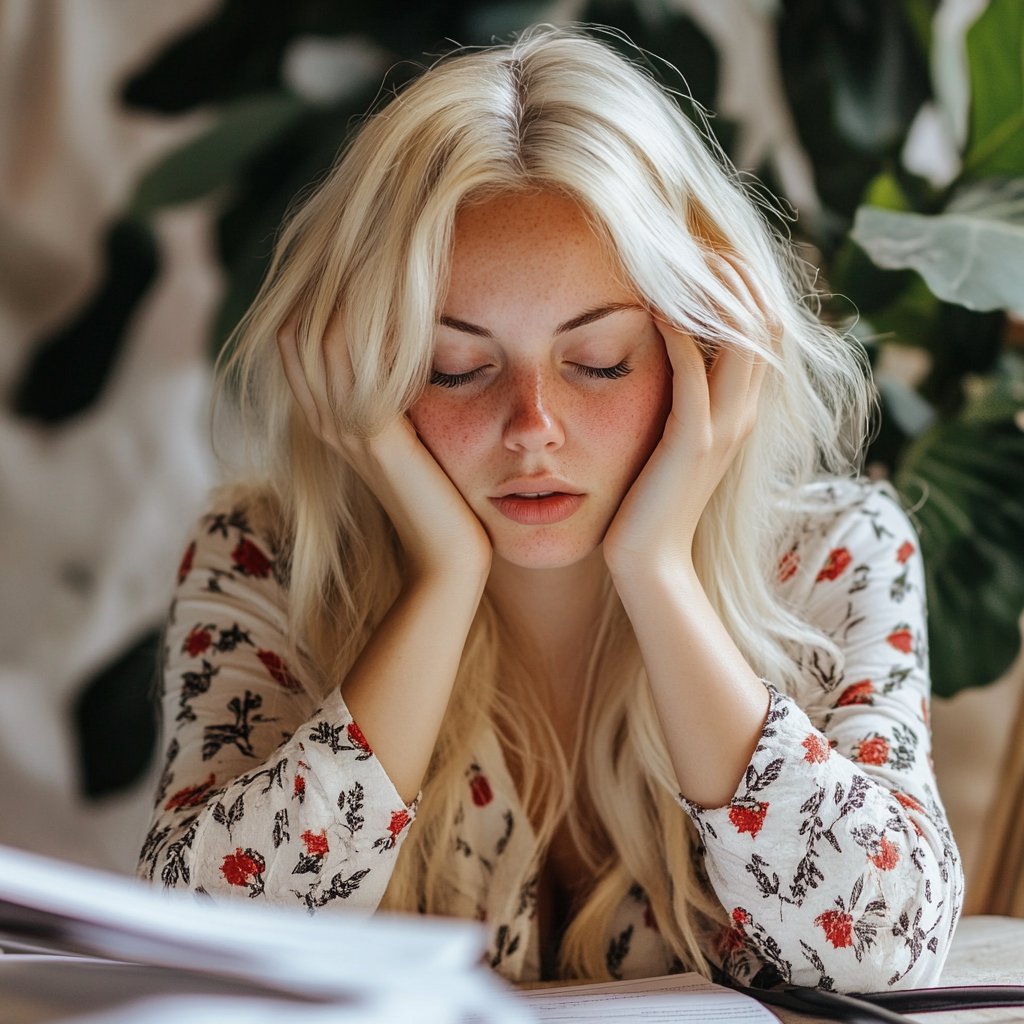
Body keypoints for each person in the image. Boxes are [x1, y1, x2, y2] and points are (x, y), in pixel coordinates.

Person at [138, 25, 962, 991]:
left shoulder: (836, 554)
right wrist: (444, 580)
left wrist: (657, 573)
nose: (532, 429)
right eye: (456, 367)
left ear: (708, 356)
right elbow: (198, 942)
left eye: (599, 361)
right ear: (364, 369)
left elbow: (883, 948)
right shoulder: (265, 557)